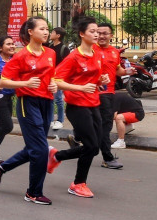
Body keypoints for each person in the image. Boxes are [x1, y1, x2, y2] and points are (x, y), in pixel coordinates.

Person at [0, 17, 59, 205]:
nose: (46, 32)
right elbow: (3, 82)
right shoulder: (21, 56)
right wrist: (26, 83)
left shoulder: (51, 53)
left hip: (47, 102)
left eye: (47, 29)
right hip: (27, 103)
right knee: (40, 149)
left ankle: (2, 166)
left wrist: (54, 84)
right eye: (42, 29)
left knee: (35, 147)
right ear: (30, 32)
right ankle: (33, 192)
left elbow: (52, 76)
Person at [46, 17, 110, 199]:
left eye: (98, 31)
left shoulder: (97, 54)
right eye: (92, 31)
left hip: (93, 104)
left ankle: (57, 156)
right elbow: (56, 81)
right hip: (77, 106)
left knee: (94, 148)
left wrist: (101, 80)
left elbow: (95, 79)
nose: (96, 34)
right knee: (91, 145)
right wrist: (80, 88)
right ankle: (78, 184)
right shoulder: (73, 57)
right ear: (82, 34)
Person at [95, 23, 127, 170]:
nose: (101, 36)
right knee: (105, 125)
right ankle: (107, 157)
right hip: (95, 92)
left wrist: (127, 71)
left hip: (109, 92)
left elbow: (118, 70)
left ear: (111, 35)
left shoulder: (114, 52)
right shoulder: (90, 50)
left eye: (105, 33)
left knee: (102, 125)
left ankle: (78, 140)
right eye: (98, 33)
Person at [49, 27, 70, 129]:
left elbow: (67, 64)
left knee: (58, 99)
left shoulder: (64, 49)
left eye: (52, 32)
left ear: (58, 35)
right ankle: (50, 120)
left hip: (58, 77)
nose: (50, 33)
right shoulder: (49, 47)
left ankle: (60, 120)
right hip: (49, 77)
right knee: (49, 99)